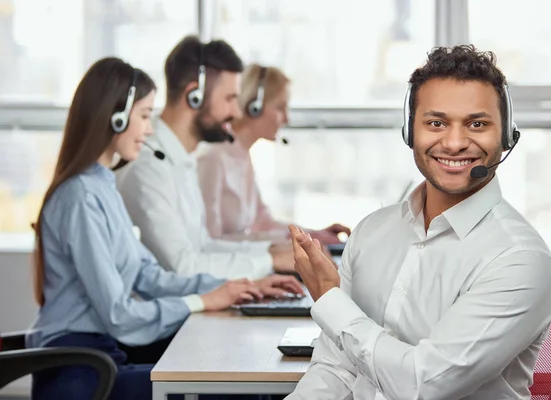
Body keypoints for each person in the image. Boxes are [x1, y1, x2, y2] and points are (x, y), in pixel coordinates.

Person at [286, 45, 551, 399]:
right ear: (409, 131)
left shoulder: (519, 260)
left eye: (477, 124)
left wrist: (329, 299)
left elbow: (424, 385)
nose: (456, 142)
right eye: (436, 123)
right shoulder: (372, 232)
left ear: (506, 135)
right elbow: (336, 368)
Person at [26, 57, 303, 400]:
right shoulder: (81, 197)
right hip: (80, 372)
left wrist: (233, 288)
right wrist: (200, 301)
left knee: (236, 378)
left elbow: (150, 275)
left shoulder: (102, 187)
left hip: (104, 357)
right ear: (115, 118)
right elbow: (119, 314)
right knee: (230, 391)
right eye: (144, 116)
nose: (150, 129)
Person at [115, 37, 299, 280]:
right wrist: (270, 260)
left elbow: (202, 245)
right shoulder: (148, 167)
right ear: (195, 96)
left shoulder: (183, 158)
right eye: (229, 99)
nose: (236, 112)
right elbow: (181, 265)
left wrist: (271, 251)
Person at [196, 64, 351, 245]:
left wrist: (310, 235)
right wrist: (287, 241)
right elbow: (211, 242)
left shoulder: (242, 155)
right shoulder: (213, 158)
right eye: (280, 108)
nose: (286, 119)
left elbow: (262, 222)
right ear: (254, 107)